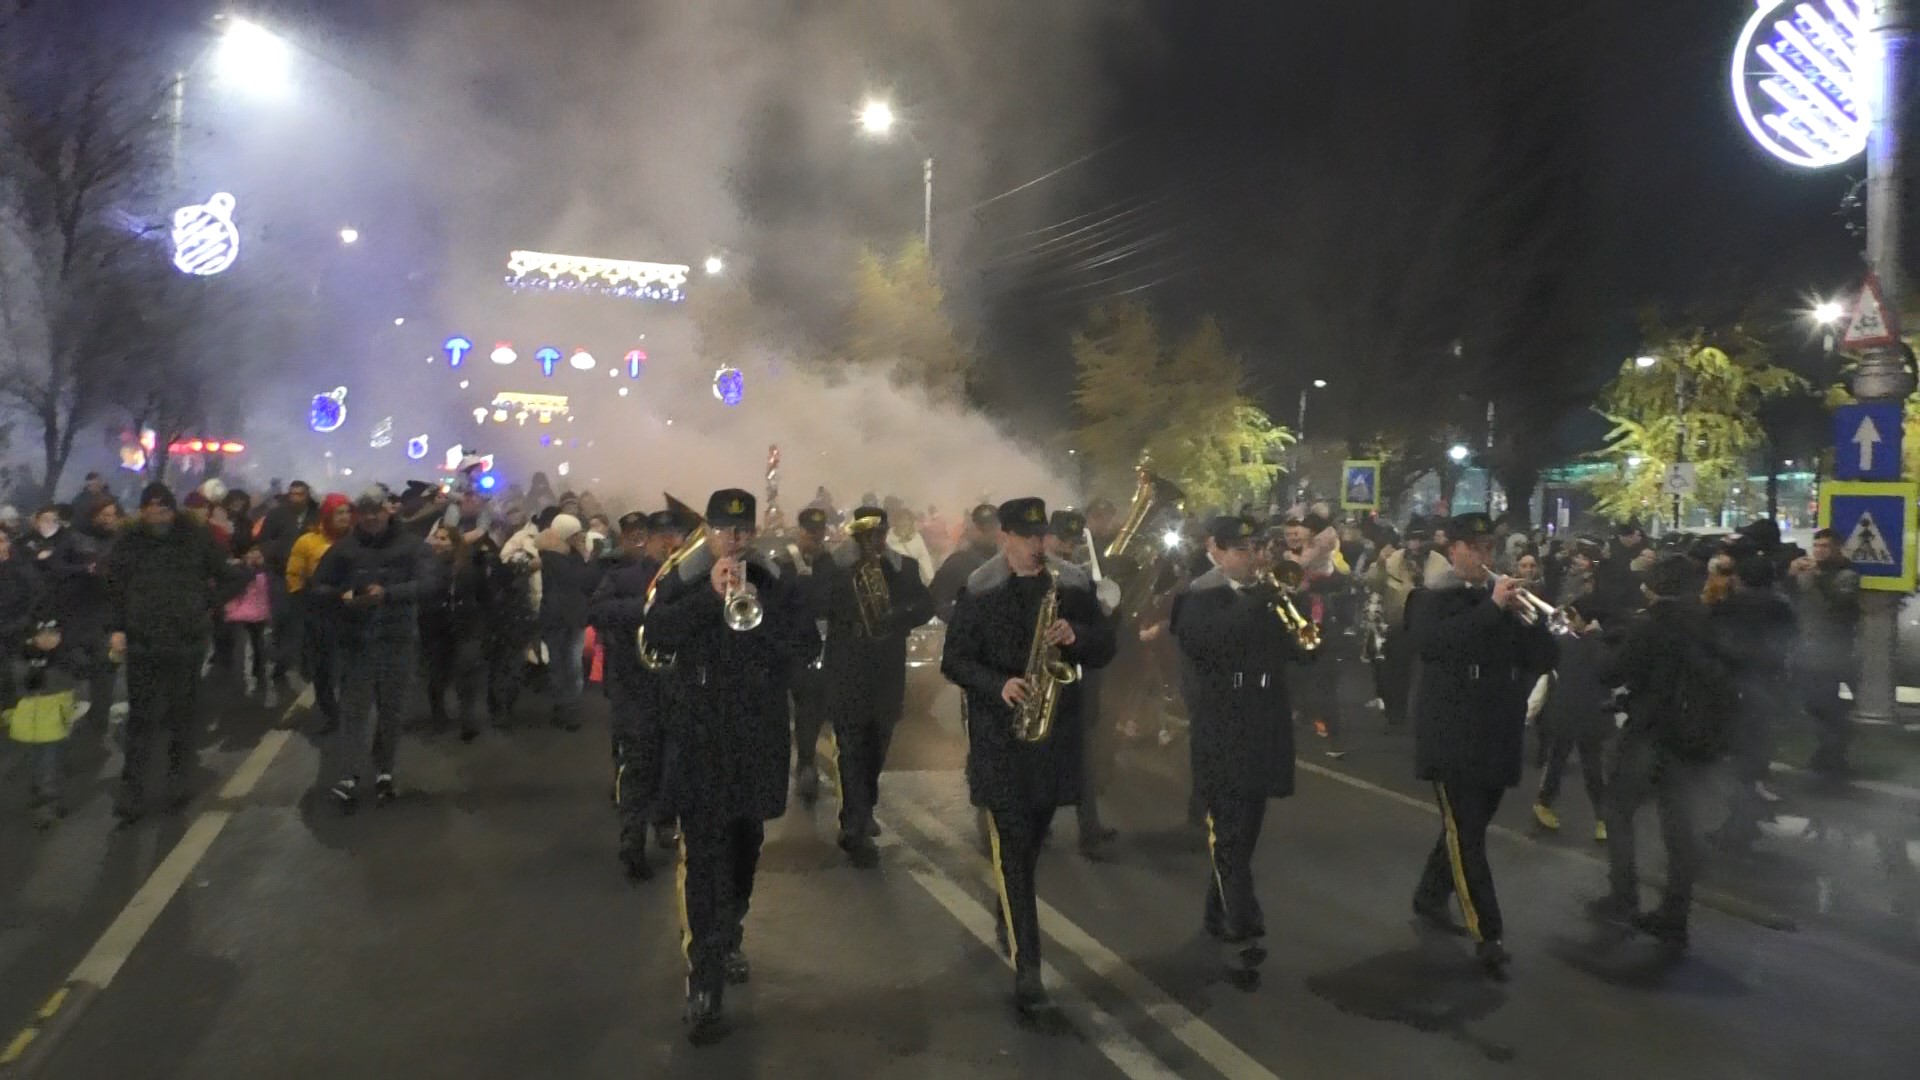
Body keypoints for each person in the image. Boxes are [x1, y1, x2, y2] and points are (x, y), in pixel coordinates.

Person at [645, 489, 817, 1044]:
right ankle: (704, 977)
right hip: (700, 737)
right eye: (725, 530)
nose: (735, 541)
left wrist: (759, 621)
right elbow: (654, 636)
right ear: (710, 532)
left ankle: (732, 927)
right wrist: (707, 597)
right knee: (701, 858)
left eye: (743, 532)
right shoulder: (684, 575)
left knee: (745, 846)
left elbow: (805, 646)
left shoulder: (776, 577)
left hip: (758, 736)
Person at [940, 496, 1116, 1023]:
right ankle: (1029, 971)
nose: (1040, 546)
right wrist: (1000, 684)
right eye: (1028, 538)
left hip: (1052, 738)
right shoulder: (980, 590)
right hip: (1001, 741)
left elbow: (1106, 645)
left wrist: (1077, 635)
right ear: (1005, 539)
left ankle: (1007, 909)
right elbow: (955, 661)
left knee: (1030, 846)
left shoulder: (1070, 585)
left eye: (1043, 538)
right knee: (1015, 853)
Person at [1407, 512, 1556, 980]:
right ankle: (1487, 933)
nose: (1483, 556)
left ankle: (1430, 894)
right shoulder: (1430, 598)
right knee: (1467, 834)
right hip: (1451, 733)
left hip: (1497, 730)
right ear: (1452, 550)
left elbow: (1542, 659)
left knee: (1468, 826)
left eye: (1489, 547)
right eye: (1474, 547)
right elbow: (1436, 645)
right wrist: (1492, 608)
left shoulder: (1504, 603)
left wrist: (1535, 623)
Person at [1171, 514, 1311, 989]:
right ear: (1221, 551)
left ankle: (1218, 911)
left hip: (1265, 720)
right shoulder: (1198, 595)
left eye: (1256, 549)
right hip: (1222, 723)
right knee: (1227, 829)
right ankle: (1243, 924)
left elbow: (1301, 653)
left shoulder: (1266, 596)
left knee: (1246, 830)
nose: (1253, 557)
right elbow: (1206, 642)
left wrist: (1301, 621)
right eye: (1243, 549)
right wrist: (1260, 604)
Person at [1590, 555, 1738, 951]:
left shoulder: (1651, 625)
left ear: (1653, 586)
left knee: (1618, 811)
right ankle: (1675, 914)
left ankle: (1623, 896)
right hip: (1694, 742)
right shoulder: (1711, 624)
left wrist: (1595, 640)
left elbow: (1612, 673)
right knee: (1679, 829)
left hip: (1650, 736)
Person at [105, 483, 251, 825]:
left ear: (173, 508)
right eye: (151, 505)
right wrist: (116, 628)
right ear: (142, 510)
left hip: (185, 641)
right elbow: (114, 590)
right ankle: (133, 792)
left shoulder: (196, 539)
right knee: (141, 718)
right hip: (143, 642)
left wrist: (206, 606)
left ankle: (178, 780)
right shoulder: (128, 544)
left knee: (181, 714)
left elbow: (232, 577)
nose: (158, 511)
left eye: (164, 505)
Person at [309, 489, 438, 812]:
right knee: (353, 711)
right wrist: (345, 596)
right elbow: (319, 586)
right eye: (364, 511)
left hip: (397, 639)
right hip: (357, 642)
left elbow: (430, 582)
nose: (370, 517)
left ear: (388, 511)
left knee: (391, 712)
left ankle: (384, 771)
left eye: (376, 510)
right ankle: (349, 775)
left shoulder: (411, 546)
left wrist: (389, 593)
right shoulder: (345, 549)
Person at [819, 505, 934, 868]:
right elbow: (817, 605)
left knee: (878, 745)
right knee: (851, 747)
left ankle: (864, 806)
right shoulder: (834, 565)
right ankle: (853, 823)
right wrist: (847, 573)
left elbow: (925, 605)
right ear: (855, 535)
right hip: (848, 666)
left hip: (886, 669)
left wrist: (897, 615)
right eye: (867, 535)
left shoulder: (904, 566)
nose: (875, 541)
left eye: (879, 534)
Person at [589, 511, 675, 878]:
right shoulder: (623, 577)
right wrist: (643, 608)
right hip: (635, 685)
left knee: (672, 764)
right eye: (664, 540)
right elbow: (596, 610)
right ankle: (633, 839)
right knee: (638, 765)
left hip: (675, 687)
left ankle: (665, 822)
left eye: (677, 540)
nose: (672, 547)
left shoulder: (690, 580)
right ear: (650, 542)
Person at [1710, 555, 1799, 853]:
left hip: (1738, 687)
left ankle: (1738, 825)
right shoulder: (1781, 605)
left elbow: (1717, 642)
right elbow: (1791, 642)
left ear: (1741, 578)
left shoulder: (1732, 607)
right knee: (1756, 751)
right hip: (1768, 686)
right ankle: (1746, 821)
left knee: (1737, 758)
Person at [1044, 507, 1119, 856]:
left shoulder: (1080, 577)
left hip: (1074, 675)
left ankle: (1089, 829)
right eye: (1061, 539)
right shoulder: (1028, 573)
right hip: (1038, 674)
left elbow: (1101, 631)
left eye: (1073, 541)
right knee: (1039, 749)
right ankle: (1037, 823)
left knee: (1082, 750)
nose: (1067, 548)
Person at [1529, 598, 1614, 841]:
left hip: (1584, 715)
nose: (1569, 619)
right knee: (1559, 761)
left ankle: (1601, 817)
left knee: (1592, 769)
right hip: (1571, 713)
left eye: (1573, 615)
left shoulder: (1599, 644)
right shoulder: (1565, 642)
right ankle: (1545, 803)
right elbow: (1547, 673)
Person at [1364, 517, 1449, 728]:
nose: (1417, 545)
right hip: (1399, 626)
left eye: (1421, 540)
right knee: (1395, 675)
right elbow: (1372, 583)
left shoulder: (1440, 563)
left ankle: (1427, 717)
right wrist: (1381, 562)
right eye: (1412, 539)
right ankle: (1395, 716)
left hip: (1430, 628)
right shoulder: (1393, 560)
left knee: (1429, 676)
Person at [1789, 529, 1860, 776]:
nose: (1819, 551)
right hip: (1807, 650)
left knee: (1829, 705)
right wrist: (1791, 575)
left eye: (1825, 546)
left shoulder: (1846, 575)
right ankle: (1826, 753)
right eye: (1816, 545)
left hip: (1833, 651)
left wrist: (1819, 578)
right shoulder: (1807, 574)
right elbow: (1793, 601)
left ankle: (1834, 757)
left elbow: (1841, 604)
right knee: (1813, 705)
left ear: (1836, 548)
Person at [8, 618, 86, 828]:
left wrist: (76, 712)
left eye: (53, 633)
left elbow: (74, 683)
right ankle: (39, 795)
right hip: (29, 726)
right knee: (35, 765)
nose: (47, 638)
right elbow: (19, 684)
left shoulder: (66, 659)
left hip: (54, 724)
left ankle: (49, 804)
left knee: (51, 766)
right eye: (42, 634)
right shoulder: (23, 657)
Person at [781, 507, 835, 805]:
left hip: (813, 648)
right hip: (786, 645)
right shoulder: (783, 563)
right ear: (799, 531)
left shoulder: (830, 563)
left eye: (819, 533)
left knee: (810, 710)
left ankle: (805, 762)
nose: (815, 538)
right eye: (809, 533)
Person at [286, 493, 351, 729]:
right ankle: (330, 713)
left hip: (349, 611)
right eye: (338, 512)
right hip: (318, 612)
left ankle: (347, 712)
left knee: (347, 666)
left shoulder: (357, 541)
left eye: (347, 512)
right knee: (321, 668)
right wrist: (301, 605)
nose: (344, 517)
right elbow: (294, 576)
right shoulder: (308, 542)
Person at [420, 523, 489, 740]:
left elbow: (484, 595)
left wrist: (483, 624)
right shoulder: (425, 568)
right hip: (435, 627)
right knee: (435, 676)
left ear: (454, 542)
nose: (439, 543)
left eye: (444, 538)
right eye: (437, 538)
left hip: (466, 627)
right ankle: (438, 717)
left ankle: (468, 720)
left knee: (466, 675)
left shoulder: (468, 567)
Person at [537, 512, 603, 731]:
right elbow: (581, 580)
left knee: (567, 666)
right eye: (576, 534)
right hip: (561, 619)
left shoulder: (565, 554)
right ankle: (566, 708)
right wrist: (594, 558)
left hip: (567, 618)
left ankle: (567, 708)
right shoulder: (553, 557)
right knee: (564, 666)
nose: (580, 538)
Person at [255, 479, 316, 680]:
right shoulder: (277, 515)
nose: (296, 498)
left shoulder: (316, 516)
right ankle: (281, 660)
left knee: (303, 620)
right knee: (281, 617)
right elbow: (264, 540)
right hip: (280, 573)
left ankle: (301, 663)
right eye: (293, 494)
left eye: (300, 494)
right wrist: (277, 552)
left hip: (308, 576)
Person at [929, 504, 999, 624]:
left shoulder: (1012, 564)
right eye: (982, 528)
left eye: (991, 527)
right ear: (972, 529)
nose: (987, 533)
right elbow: (935, 603)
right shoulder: (957, 563)